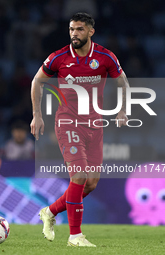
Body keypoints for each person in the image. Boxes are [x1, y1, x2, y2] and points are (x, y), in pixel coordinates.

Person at [30, 13, 130, 247]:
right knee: (80, 175)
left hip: (95, 125)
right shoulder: (59, 57)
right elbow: (37, 81)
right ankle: (75, 235)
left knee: (91, 183)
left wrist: (123, 110)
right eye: (71, 29)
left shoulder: (105, 56)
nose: (74, 33)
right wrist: (37, 115)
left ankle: (50, 212)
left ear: (91, 31)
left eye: (79, 29)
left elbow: (122, 80)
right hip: (68, 122)